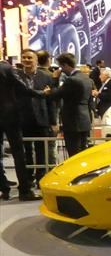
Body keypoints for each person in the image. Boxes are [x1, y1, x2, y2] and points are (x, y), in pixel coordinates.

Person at [0, 60, 40, 201]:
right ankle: (24, 190)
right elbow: (22, 88)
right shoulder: (6, 68)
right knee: (18, 154)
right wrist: (41, 93)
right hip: (10, 115)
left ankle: (4, 188)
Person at [18, 49, 57, 184]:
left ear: (35, 60)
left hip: (42, 119)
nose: (27, 60)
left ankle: (41, 179)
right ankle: (28, 179)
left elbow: (51, 101)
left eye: (29, 58)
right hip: (22, 119)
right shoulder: (16, 76)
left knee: (42, 151)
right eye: (24, 58)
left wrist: (53, 121)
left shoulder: (46, 77)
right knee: (26, 151)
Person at [44, 53, 94, 157]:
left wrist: (54, 79)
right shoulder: (87, 79)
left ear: (65, 65)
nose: (61, 70)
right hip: (85, 120)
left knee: (73, 153)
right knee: (82, 153)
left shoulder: (71, 80)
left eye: (61, 67)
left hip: (72, 122)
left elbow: (55, 95)